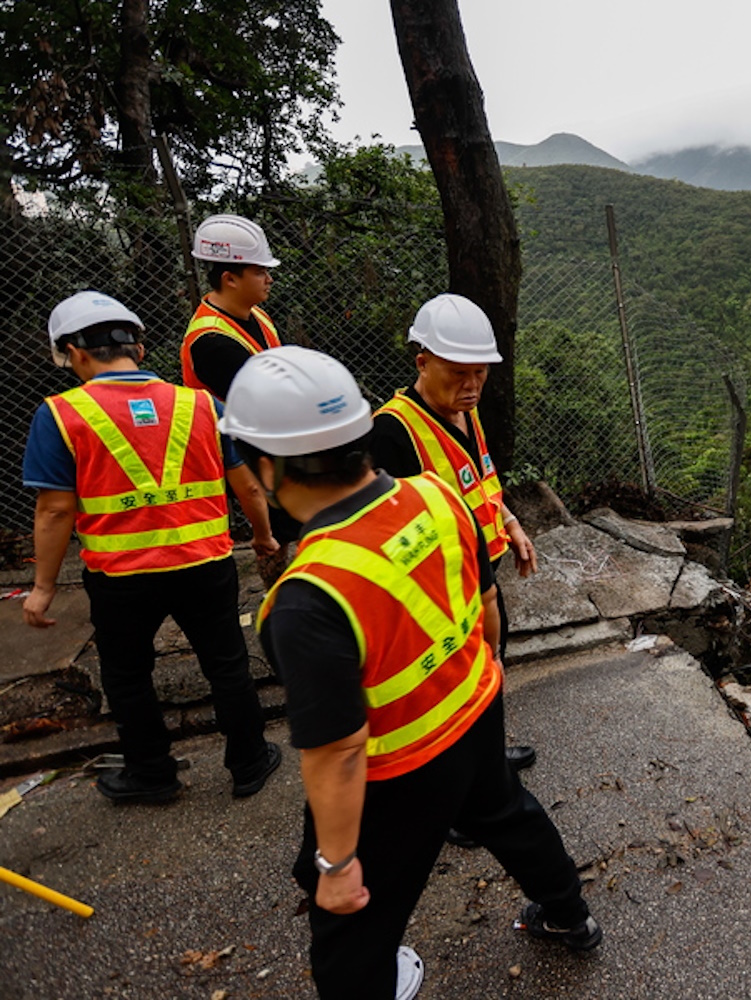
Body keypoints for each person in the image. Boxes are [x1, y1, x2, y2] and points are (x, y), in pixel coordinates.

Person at [222, 346, 601, 1000]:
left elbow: (338, 751)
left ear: (267, 465)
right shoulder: (435, 494)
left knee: (353, 928)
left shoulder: (305, 599)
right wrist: (489, 681)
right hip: (475, 713)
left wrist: (337, 867)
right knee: (509, 813)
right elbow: (484, 606)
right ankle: (571, 915)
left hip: (398, 770)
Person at [22, 291, 282, 804]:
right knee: (227, 663)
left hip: (122, 576)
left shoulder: (59, 415)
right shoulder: (201, 404)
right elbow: (247, 485)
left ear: (75, 352)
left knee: (127, 676)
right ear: (138, 349)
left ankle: (152, 774)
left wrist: (42, 588)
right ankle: (249, 763)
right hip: (206, 564)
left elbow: (54, 511)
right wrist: (264, 535)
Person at [369, 293, 537, 773]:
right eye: (458, 373)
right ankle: (461, 794)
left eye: (480, 373)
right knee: (450, 692)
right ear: (423, 363)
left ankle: (487, 765)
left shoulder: (466, 411)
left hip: (480, 577)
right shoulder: (391, 434)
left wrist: (510, 523)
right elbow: (388, 533)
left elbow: (482, 480)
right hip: (438, 596)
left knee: (489, 670)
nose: (472, 385)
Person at [181, 212, 297, 587]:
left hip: (271, 443)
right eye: (260, 272)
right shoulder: (211, 342)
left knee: (293, 526)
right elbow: (268, 400)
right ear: (230, 278)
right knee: (275, 537)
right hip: (244, 453)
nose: (269, 279)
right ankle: (279, 600)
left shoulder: (255, 316)